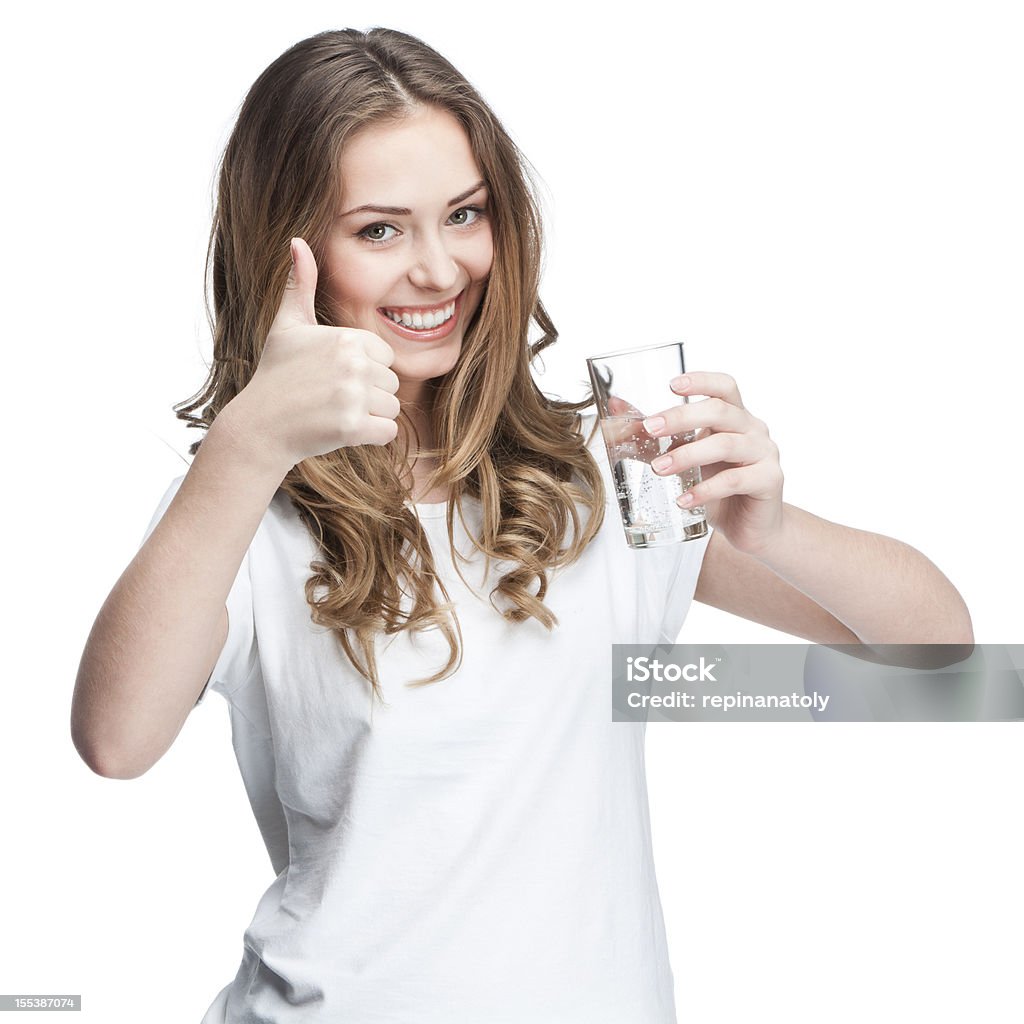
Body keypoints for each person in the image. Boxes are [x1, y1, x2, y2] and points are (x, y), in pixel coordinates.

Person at [70, 26, 973, 1024]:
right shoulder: (245, 503)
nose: (438, 268)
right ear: (287, 249)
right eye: (378, 229)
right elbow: (115, 739)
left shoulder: (597, 471)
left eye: (464, 214)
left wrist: (774, 529)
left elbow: (937, 659)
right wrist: (244, 448)